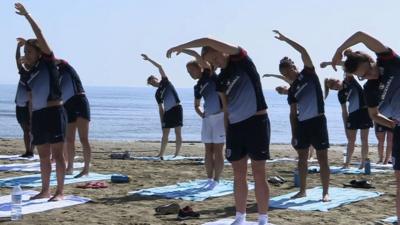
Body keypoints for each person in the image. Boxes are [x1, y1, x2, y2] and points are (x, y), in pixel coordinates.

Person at [167, 37, 271, 225]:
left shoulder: (242, 60)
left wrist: (180, 46)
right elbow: (226, 107)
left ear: (220, 50)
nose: (215, 63)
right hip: (235, 127)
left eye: (215, 58)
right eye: (212, 62)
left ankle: (263, 218)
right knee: (239, 174)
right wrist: (228, 131)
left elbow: (206, 39)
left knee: (258, 173)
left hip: (257, 122)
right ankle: (240, 216)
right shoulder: (221, 78)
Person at [331, 31, 400, 224]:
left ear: (371, 60)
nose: (370, 75)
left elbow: (361, 35)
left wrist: (339, 50)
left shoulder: (389, 61)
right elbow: (374, 115)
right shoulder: (370, 89)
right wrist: (393, 126)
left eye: (369, 70)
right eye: (364, 76)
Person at [15, 2, 66, 201]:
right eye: (24, 53)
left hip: (54, 113)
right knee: (44, 156)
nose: (25, 55)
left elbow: (40, 33)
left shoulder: (48, 62)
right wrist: (20, 54)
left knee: (58, 155)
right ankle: (45, 190)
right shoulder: (32, 73)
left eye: (28, 52)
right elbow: (23, 72)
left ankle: (59, 192)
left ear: (39, 52)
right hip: (38, 116)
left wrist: (27, 15)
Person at [274, 30, 330, 201]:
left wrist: (285, 39)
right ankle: (303, 190)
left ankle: (325, 192)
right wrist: (293, 133)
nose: (287, 76)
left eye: (288, 72)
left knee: (322, 158)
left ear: (294, 67)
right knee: (302, 159)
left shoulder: (309, 73)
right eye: (284, 75)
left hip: (318, 120)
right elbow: (292, 114)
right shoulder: (292, 91)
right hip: (302, 124)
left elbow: (303, 51)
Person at [171, 49, 225, 190]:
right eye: (188, 72)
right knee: (208, 150)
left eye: (191, 71)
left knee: (218, 150)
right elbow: (196, 105)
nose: (189, 74)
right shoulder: (197, 86)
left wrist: (182, 49)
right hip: (207, 119)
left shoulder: (210, 74)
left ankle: (216, 179)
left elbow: (196, 54)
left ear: (200, 67)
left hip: (220, 117)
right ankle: (209, 178)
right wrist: (203, 115)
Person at [323, 65, 372, 169]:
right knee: (351, 140)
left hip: (364, 112)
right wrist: (345, 126)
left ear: (337, 79)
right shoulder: (340, 94)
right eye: (332, 85)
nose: (336, 84)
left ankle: (363, 163)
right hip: (353, 115)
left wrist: (329, 63)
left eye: (335, 81)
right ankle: (346, 164)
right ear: (333, 89)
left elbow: (348, 65)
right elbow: (344, 112)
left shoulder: (349, 80)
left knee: (364, 139)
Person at [142, 54, 182, 159]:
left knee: (177, 132)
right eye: (151, 84)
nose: (153, 83)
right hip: (167, 112)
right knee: (165, 134)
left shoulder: (165, 81)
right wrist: (162, 120)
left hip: (177, 108)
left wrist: (149, 59)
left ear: (156, 78)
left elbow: (160, 66)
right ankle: (161, 154)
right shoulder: (157, 94)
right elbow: (161, 107)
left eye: (153, 81)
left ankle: (176, 154)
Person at [59, 60, 92, 177]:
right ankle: (70, 167)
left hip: (79, 101)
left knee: (83, 139)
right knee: (69, 139)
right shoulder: (55, 77)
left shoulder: (67, 68)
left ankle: (86, 168)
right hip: (67, 105)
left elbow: (53, 58)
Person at [14, 38, 34, 158]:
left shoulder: (35, 73)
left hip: (29, 106)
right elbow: (17, 60)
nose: (25, 62)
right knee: (25, 130)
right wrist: (18, 47)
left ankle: (31, 151)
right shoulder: (23, 72)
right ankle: (28, 151)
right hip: (19, 105)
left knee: (31, 129)